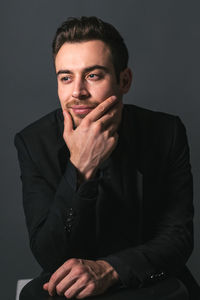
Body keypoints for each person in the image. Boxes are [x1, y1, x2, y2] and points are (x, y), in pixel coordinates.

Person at [15, 16, 199, 299]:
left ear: (124, 80)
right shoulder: (33, 142)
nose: (77, 92)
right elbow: (48, 255)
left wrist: (109, 269)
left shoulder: (166, 132)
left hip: (143, 280)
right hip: (72, 287)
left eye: (93, 75)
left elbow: (177, 237)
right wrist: (80, 168)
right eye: (66, 78)